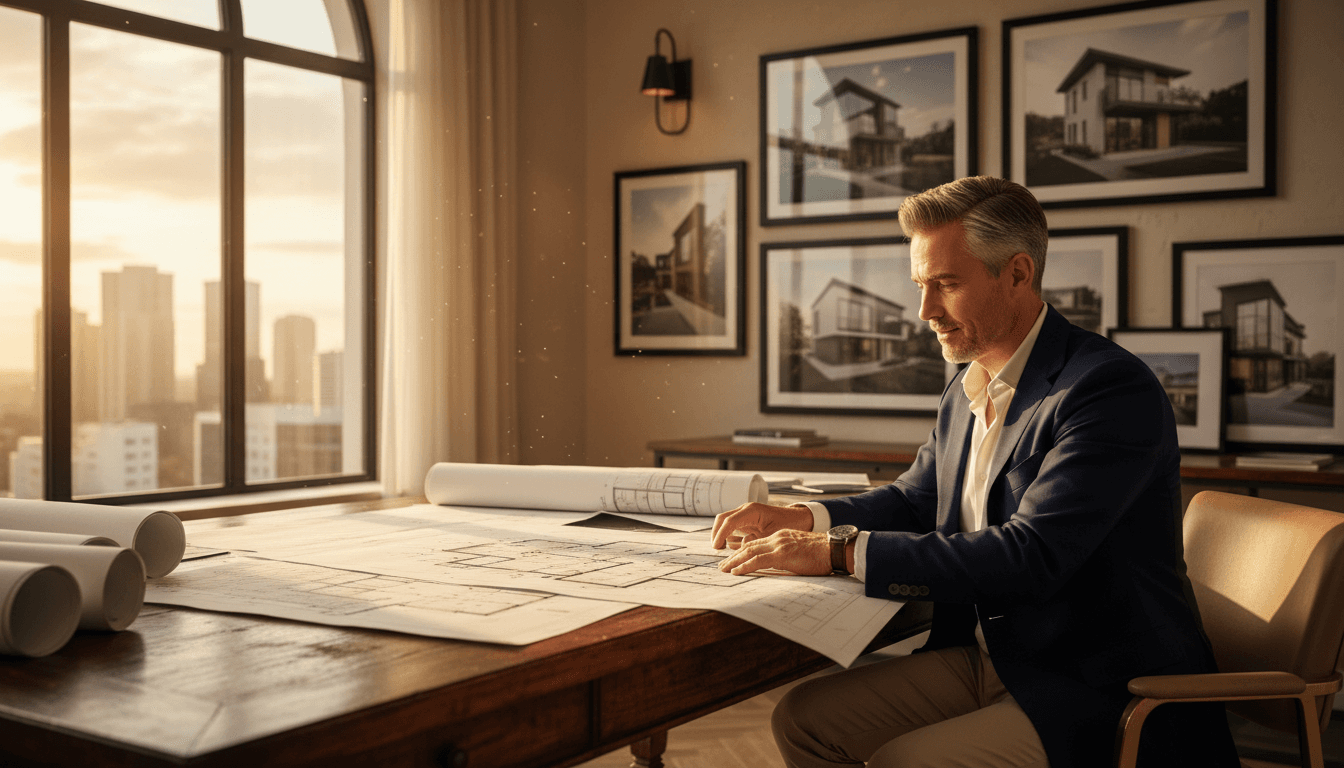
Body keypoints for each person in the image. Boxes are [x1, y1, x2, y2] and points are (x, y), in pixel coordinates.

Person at [711, 176, 1238, 768]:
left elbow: (1031, 556)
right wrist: (806, 516)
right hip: (992, 655)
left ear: (1017, 274)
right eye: (920, 285)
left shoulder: (1107, 390)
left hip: (1094, 681)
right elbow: (916, 501)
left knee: (905, 761)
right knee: (804, 722)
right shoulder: (966, 387)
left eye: (946, 285)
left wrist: (836, 552)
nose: (924, 311)